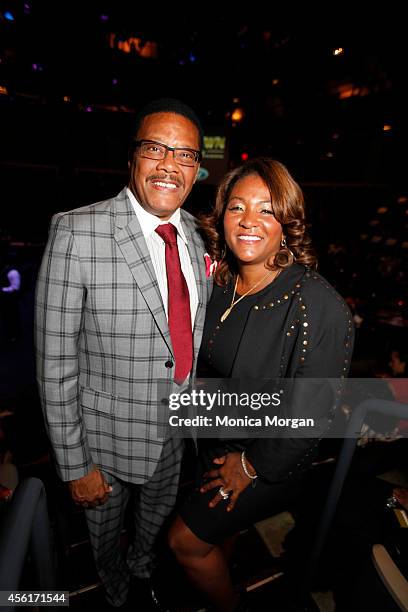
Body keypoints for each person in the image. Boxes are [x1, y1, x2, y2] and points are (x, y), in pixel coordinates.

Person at [35, 98, 211, 608]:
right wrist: (74, 464)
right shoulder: (77, 231)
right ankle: (113, 593)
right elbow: (54, 363)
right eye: (156, 148)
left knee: (153, 533)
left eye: (184, 155)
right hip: (102, 446)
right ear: (132, 157)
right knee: (103, 543)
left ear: (197, 168)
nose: (169, 164)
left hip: (176, 437)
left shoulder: (201, 236)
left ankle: (143, 575)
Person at [168, 158, 354, 612]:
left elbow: (310, 420)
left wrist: (249, 465)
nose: (249, 220)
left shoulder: (315, 304)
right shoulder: (223, 283)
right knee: (219, 533)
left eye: (266, 210)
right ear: (222, 216)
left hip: (273, 457)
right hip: (220, 440)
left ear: (287, 222)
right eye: (237, 207)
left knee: (185, 543)